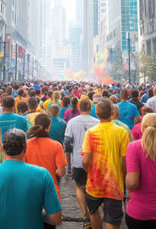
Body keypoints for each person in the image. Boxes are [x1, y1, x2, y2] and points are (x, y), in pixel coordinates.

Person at [0, 129, 62, 228]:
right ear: (25, 148)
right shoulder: (43, 174)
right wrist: (37, 211)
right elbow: (55, 218)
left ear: (3, 148)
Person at [82, 99, 129, 229]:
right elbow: (124, 160)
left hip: (94, 182)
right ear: (112, 112)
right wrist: (123, 178)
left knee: (93, 212)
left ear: (96, 113)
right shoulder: (121, 132)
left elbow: (85, 160)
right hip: (114, 184)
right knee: (112, 219)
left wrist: (90, 171)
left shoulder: (91, 133)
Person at [64, 98, 100, 228]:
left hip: (78, 160)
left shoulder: (72, 122)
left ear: (80, 108)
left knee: (80, 187)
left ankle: (86, 215)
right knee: (95, 186)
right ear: (90, 108)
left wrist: (70, 155)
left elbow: (67, 142)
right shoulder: (97, 122)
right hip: (95, 160)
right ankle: (95, 213)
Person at [25, 114, 67, 204]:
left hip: (31, 190)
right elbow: (61, 172)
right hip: (51, 189)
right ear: (48, 127)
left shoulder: (26, 145)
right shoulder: (56, 146)